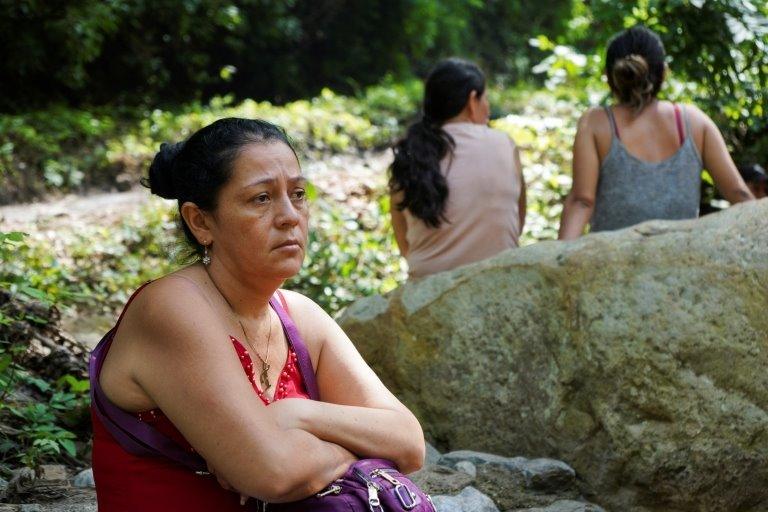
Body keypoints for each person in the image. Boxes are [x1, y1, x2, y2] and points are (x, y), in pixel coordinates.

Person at [91, 118, 425, 511]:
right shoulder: (171, 307)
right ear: (200, 222)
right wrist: (349, 450)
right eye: (261, 199)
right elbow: (275, 473)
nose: (289, 216)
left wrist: (296, 415)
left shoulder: (298, 315)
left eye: (298, 194)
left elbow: (409, 441)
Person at [558, 26, 754, 240]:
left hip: (611, 266)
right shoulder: (694, 122)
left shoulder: (595, 123)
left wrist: (557, 262)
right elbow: (738, 193)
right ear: (664, 72)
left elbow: (582, 201)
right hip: (679, 265)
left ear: (609, 77)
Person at [389, 58, 526, 278]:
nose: (488, 108)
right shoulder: (504, 144)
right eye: (486, 99)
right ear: (473, 101)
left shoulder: (410, 154)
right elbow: (516, 219)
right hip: (498, 281)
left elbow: (404, 242)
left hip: (425, 291)